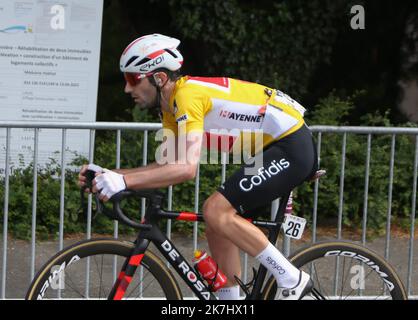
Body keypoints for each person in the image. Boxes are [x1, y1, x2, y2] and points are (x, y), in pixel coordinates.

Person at [78, 34, 318, 300]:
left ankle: (291, 277)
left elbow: (186, 169)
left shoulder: (187, 95)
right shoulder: (170, 109)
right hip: (269, 151)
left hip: (290, 147)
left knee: (215, 209)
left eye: (133, 79)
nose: (127, 89)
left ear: (158, 78)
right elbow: (167, 164)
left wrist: (122, 182)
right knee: (216, 221)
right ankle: (232, 303)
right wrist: (112, 175)